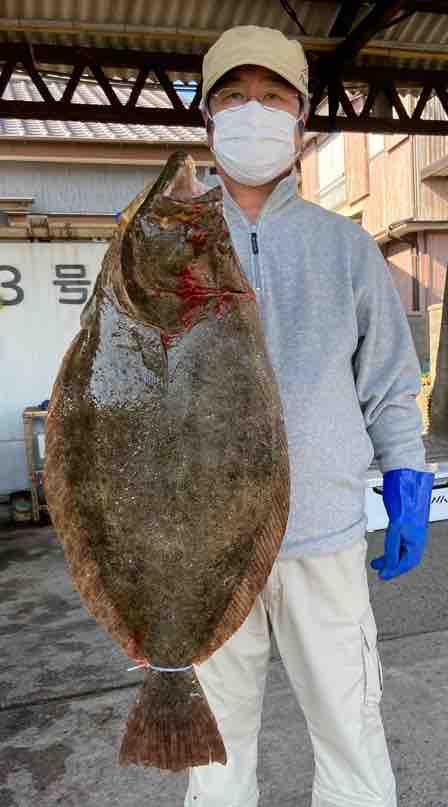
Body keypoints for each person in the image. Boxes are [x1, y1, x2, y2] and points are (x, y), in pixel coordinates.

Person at [127, 24, 434, 807]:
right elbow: (126, 392)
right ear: (207, 120)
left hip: (323, 538)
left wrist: (406, 470)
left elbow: (389, 381)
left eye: (272, 96)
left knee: (353, 742)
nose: (252, 111)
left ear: (301, 119)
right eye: (233, 96)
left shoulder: (346, 247)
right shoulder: (160, 245)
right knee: (217, 764)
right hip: (204, 551)